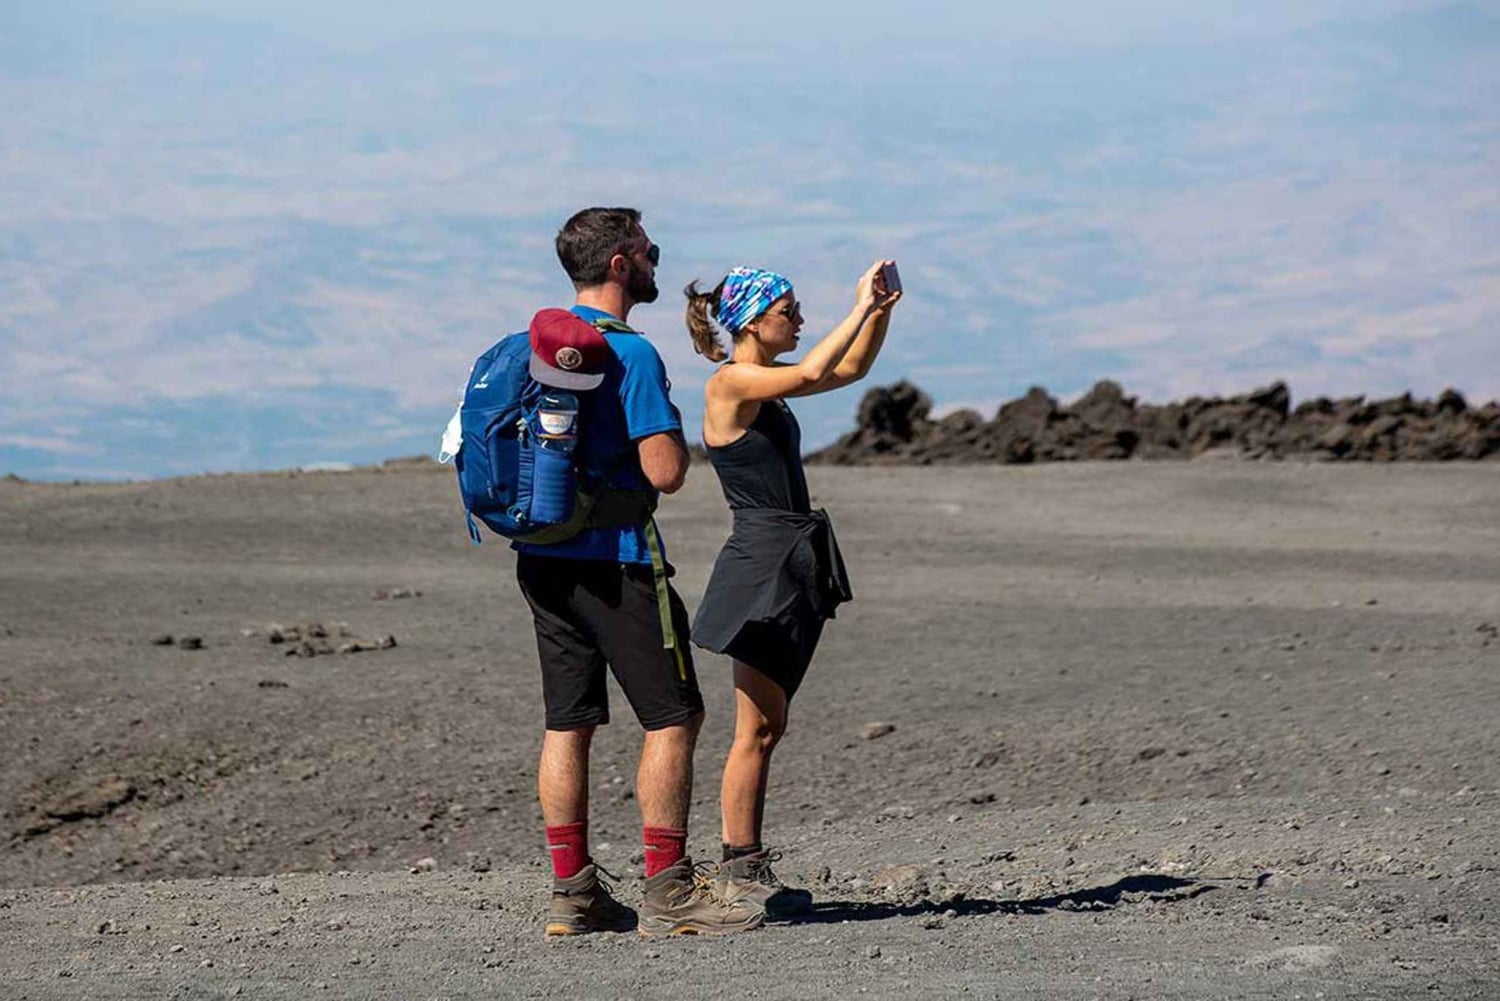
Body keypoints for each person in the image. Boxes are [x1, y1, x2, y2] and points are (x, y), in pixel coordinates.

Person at [516, 208, 762, 937]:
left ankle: (573, 893)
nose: (658, 259)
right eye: (649, 250)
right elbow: (666, 471)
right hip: (619, 560)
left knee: (568, 722)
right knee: (674, 716)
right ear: (621, 263)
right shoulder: (631, 354)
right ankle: (667, 889)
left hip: (541, 558)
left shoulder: (535, 344)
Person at [683, 261, 900, 916]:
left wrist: (881, 309)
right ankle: (739, 867)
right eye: (789, 310)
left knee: (768, 724)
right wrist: (858, 305)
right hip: (760, 567)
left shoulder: (764, 388)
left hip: (789, 560)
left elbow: (848, 370)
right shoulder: (730, 382)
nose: (800, 320)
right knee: (754, 728)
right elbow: (812, 372)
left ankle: (746, 864)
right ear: (751, 320)